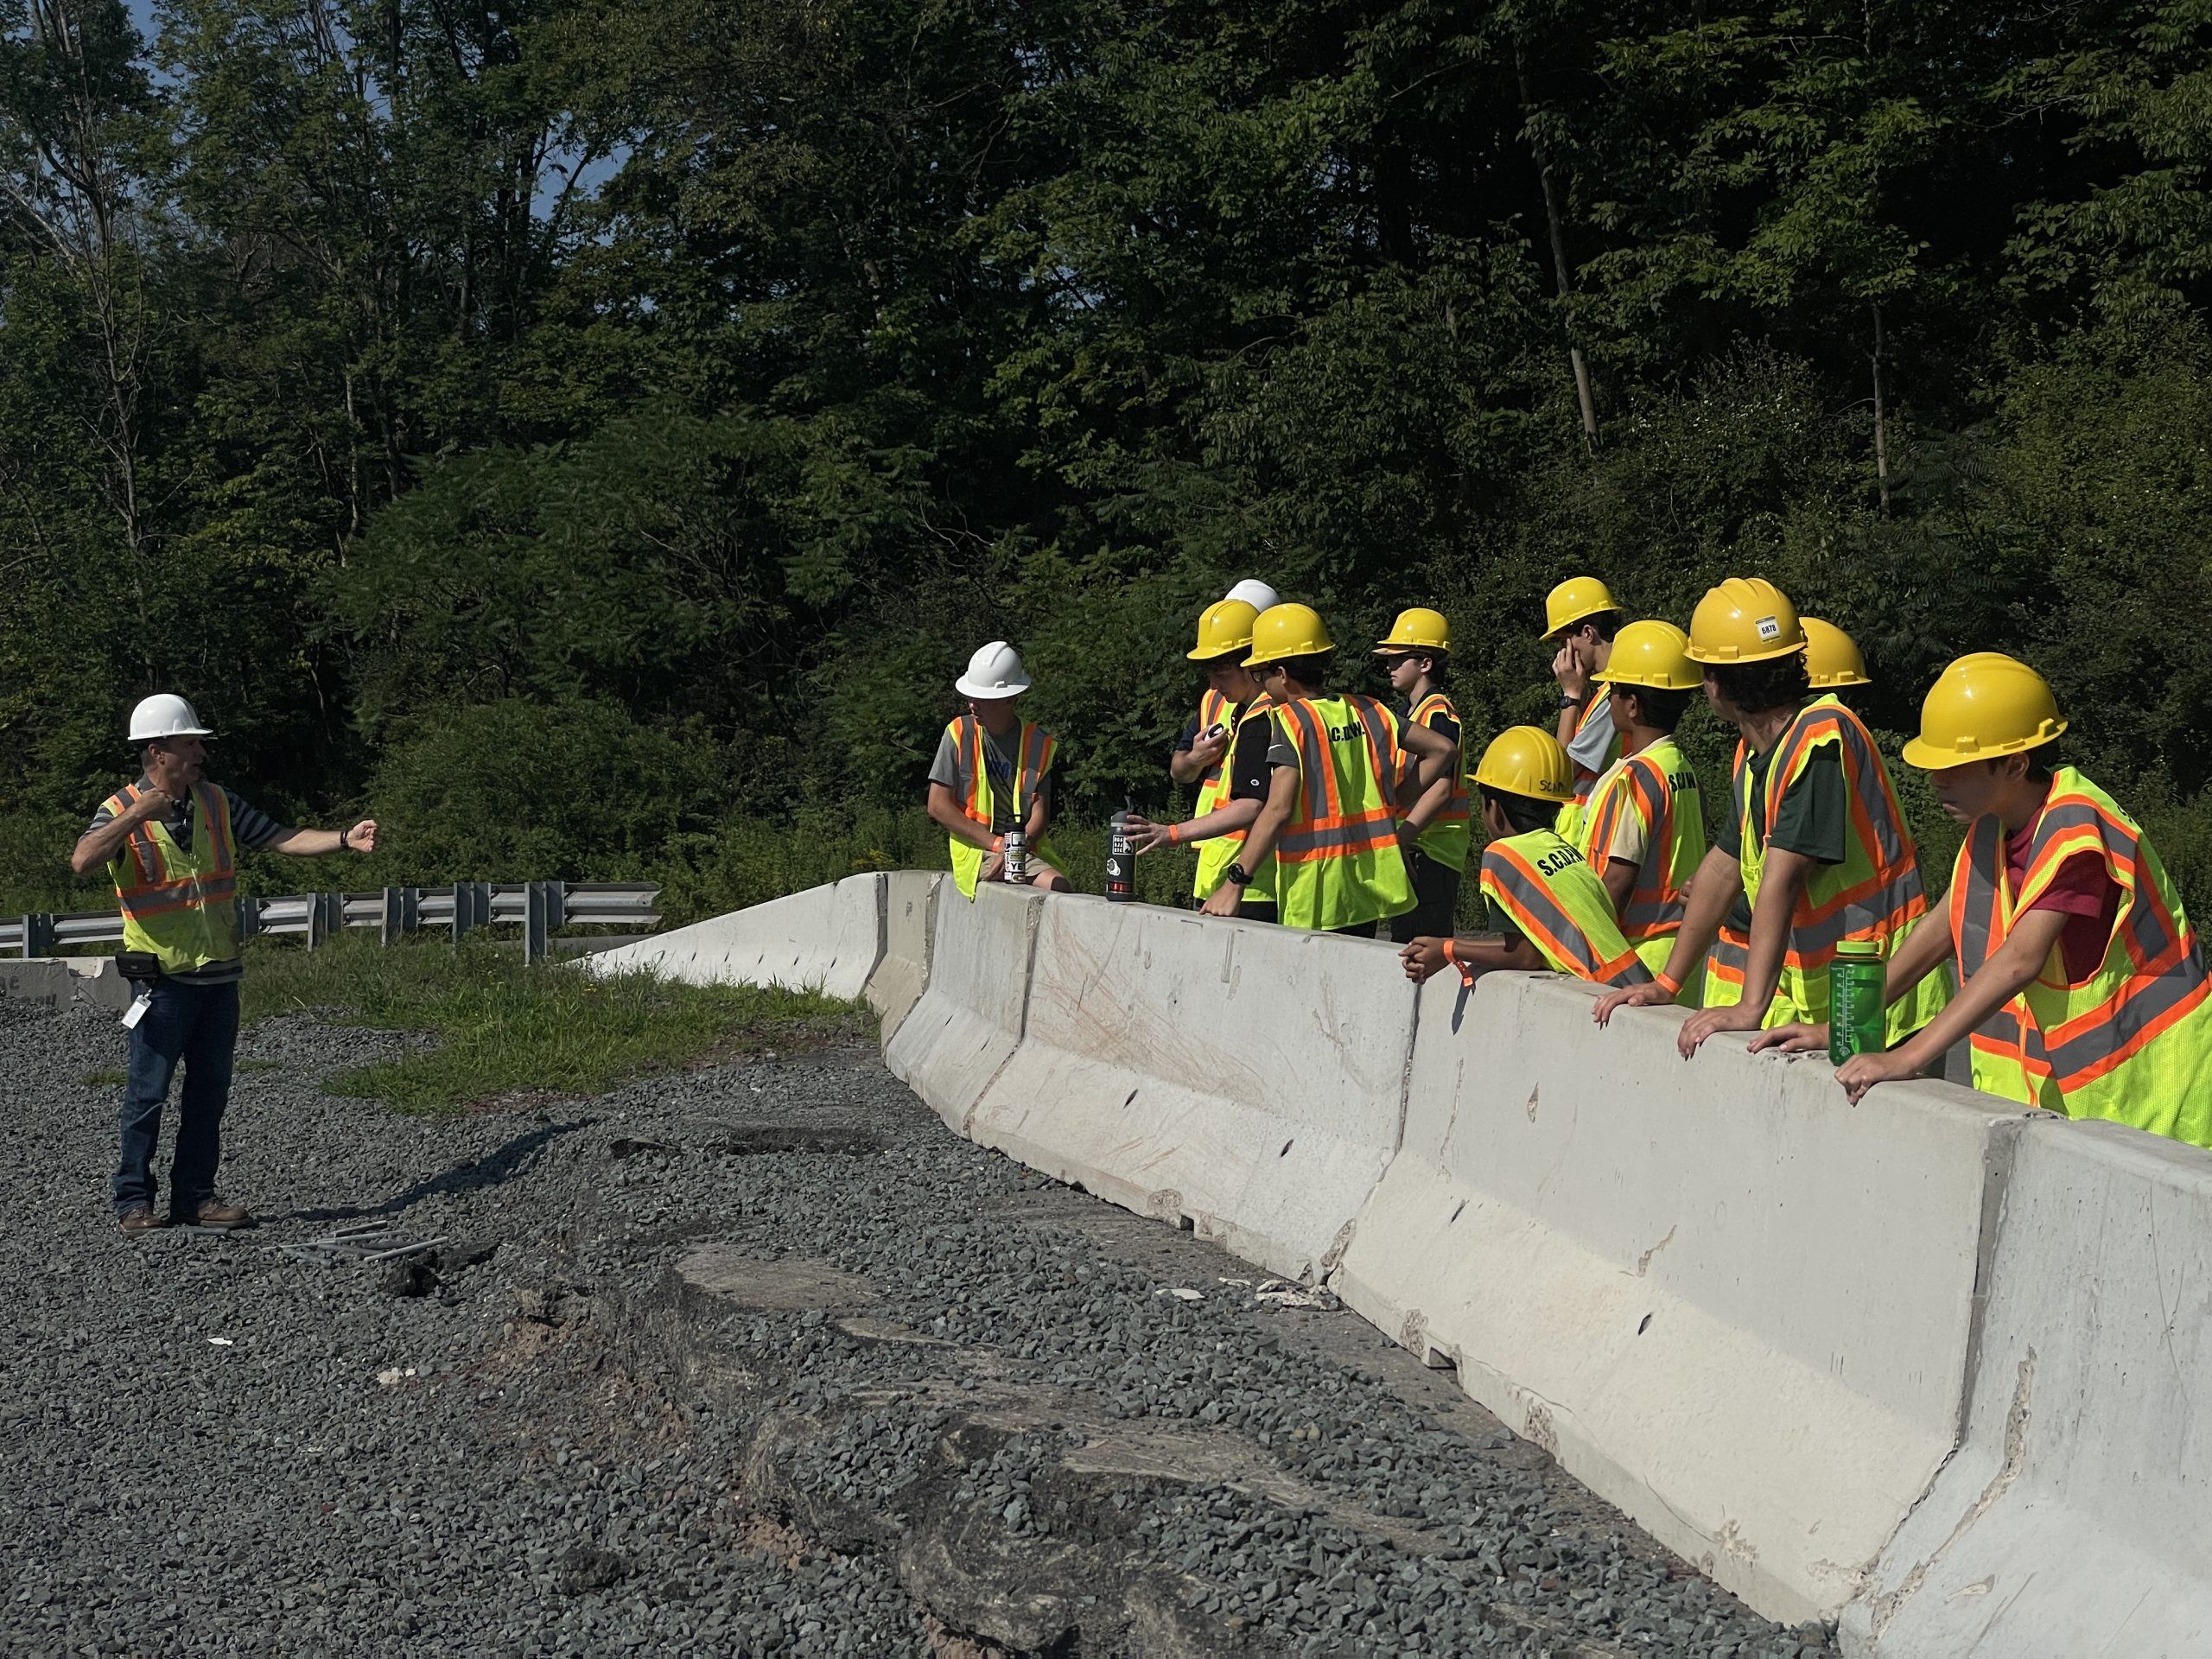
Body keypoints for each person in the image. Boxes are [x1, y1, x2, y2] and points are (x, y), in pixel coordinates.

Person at [1751, 655, 2212, 1147]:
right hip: (2091, 1091)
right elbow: (1943, 927)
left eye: (1954, 766)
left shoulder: (2076, 831)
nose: (1936, 779)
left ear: (2014, 765)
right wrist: (1845, 1024)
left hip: (2159, 1081)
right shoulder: (1993, 827)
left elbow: (2020, 960)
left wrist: (1909, 1056)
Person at [72, 694, 382, 1236]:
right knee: (147, 1094)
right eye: (191, 743)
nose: (201, 753)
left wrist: (342, 839)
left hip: (219, 975)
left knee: (209, 1093)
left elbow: (281, 837)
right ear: (158, 751)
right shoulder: (119, 809)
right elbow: (83, 860)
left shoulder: (217, 801)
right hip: (162, 981)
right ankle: (133, 1202)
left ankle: (195, 1197)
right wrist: (137, 816)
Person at [1592, 579, 1929, 1056]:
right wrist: (1667, 983)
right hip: (1838, 991)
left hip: (1878, 995)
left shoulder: (1819, 740)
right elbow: (1723, 866)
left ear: (1716, 681)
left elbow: (1783, 877)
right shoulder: (1755, 754)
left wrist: (1750, 1007)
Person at [1199, 603, 1453, 935]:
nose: (1260, 683)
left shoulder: (1290, 721)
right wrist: (1393, 802)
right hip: (1369, 888)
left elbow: (1277, 810)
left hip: (1316, 894)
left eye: (1260, 674)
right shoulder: (1369, 710)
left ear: (1282, 674)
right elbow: (1442, 750)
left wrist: (1235, 883)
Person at [1401, 727, 1653, 988]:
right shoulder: (1565, 850)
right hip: (1634, 983)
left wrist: (1447, 948)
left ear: (1494, 808)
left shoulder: (1503, 855)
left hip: (1601, 992)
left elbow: (1523, 955)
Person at [1801, 615, 1953, 1044]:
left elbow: (1789, 868)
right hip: (1871, 988)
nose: (1936, 781)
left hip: (1871, 985)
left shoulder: (1823, 734)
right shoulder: (1793, 745)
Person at [1126, 599, 1280, 922]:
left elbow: (1253, 805)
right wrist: (1195, 758)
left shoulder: (1268, 716)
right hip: (1218, 871)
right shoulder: (1224, 703)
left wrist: (1172, 833)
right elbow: (1180, 770)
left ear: (1253, 665)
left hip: (1255, 883)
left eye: (1221, 672)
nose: (1213, 685)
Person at [1579, 621, 1707, 997]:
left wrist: (1582, 947)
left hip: (1637, 959)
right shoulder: (1680, 767)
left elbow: (1618, 881)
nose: (1608, 699)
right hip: (1679, 956)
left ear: (1632, 705)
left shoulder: (1635, 778)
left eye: (1614, 691)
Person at [925, 641, 1074, 898]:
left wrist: (1014, 848)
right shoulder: (959, 733)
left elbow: (1039, 815)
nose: (973, 704)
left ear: (1009, 699)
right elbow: (937, 805)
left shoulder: (1038, 744)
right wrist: (997, 844)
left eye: (982, 698)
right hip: (976, 849)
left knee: (1060, 887)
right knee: (1046, 887)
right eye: (971, 697)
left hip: (1020, 849)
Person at [1374, 607, 1471, 943]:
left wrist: (1399, 840)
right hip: (1418, 846)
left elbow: (1441, 790)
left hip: (1432, 853)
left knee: (1420, 949)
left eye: (1399, 659)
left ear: (1425, 664)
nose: (1390, 666)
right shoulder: (1412, 713)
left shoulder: (1437, 713)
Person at [1543, 575, 1624, 842]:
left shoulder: (1615, 696)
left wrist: (1571, 695)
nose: (1562, 654)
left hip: (1587, 836)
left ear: (1588, 633)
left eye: (1564, 642)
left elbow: (1561, 774)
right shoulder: (1610, 689)